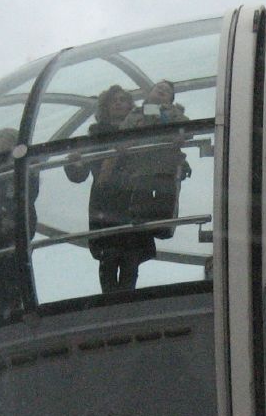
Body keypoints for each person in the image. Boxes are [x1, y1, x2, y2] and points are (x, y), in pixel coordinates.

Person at [66, 85, 154, 293]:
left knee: (129, 257)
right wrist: (75, 162)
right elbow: (79, 174)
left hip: (131, 197)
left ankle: (122, 300)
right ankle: (112, 301)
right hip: (107, 199)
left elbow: (152, 161)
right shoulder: (96, 134)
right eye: (114, 100)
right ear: (105, 107)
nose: (118, 103)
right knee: (109, 255)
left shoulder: (140, 130)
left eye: (123, 99)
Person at [119, 80, 190, 241]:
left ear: (171, 99)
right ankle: (141, 228)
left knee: (165, 202)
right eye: (159, 88)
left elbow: (187, 130)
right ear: (149, 94)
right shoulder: (137, 113)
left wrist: (171, 118)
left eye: (167, 91)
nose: (162, 90)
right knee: (140, 201)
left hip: (166, 166)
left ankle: (164, 228)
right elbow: (123, 134)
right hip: (141, 167)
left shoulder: (174, 113)